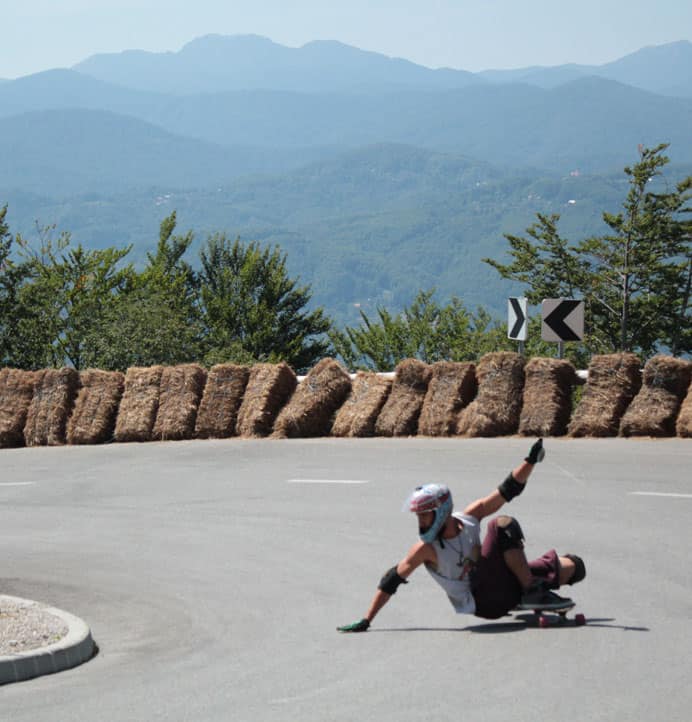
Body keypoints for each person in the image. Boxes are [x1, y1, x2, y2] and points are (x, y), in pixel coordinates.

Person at [337, 439, 586, 632]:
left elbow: (506, 490)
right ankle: (531, 591)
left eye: (425, 515)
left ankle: (527, 593)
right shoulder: (426, 549)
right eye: (418, 516)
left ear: (442, 511)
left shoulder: (469, 518)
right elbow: (391, 580)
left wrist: (530, 460)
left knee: (574, 566)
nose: (420, 522)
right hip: (485, 600)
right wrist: (366, 619)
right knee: (501, 525)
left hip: (499, 582)